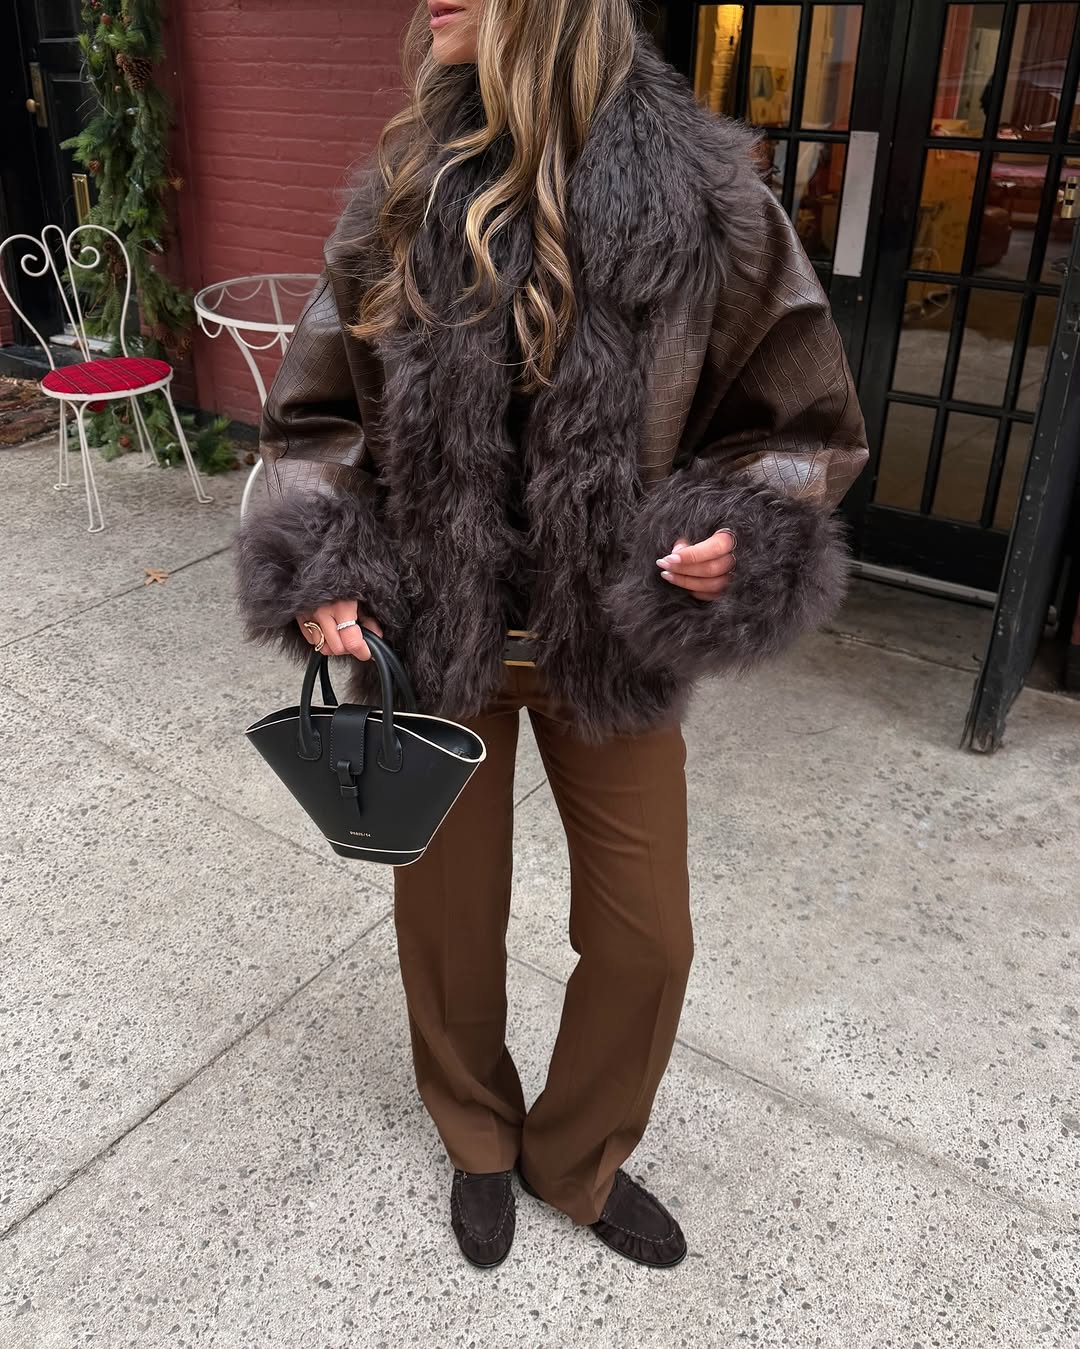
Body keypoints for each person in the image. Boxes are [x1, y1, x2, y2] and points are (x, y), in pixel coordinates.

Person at [235, 0, 868, 1271]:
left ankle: (575, 1156)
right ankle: (476, 1133)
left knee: (647, 936)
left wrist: (740, 528)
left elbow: (800, 423)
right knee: (448, 923)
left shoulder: (712, 203)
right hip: (431, 637)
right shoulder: (405, 193)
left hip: (616, 642)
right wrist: (323, 559)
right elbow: (317, 420)